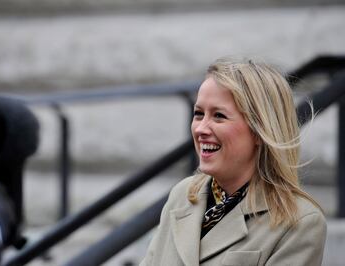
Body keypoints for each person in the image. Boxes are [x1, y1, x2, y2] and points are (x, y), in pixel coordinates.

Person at [140, 57, 327, 266]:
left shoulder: (300, 222)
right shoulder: (182, 195)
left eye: (219, 116)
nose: (201, 128)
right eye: (199, 114)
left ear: (260, 131)